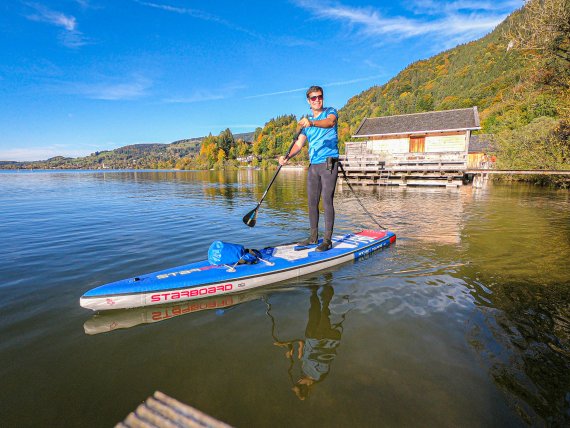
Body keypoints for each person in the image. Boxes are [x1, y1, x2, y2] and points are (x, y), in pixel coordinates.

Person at [279, 85, 339, 252]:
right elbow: (298, 144)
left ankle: (327, 240)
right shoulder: (306, 125)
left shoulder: (330, 112)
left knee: (327, 200)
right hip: (314, 166)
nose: (317, 100)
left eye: (319, 96)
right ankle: (313, 237)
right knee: (312, 202)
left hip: (329, 163)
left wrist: (312, 122)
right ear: (309, 101)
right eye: (313, 98)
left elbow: (330, 123)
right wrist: (287, 156)